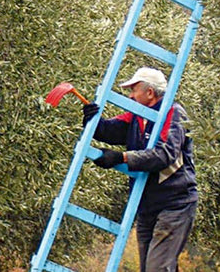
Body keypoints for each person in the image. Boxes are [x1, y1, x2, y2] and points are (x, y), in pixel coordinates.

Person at [82, 67, 197, 272]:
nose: (130, 95)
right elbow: (110, 131)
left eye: (134, 90)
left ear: (150, 93)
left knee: (157, 268)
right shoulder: (137, 116)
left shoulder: (173, 112)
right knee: (151, 268)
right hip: (147, 204)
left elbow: (164, 155)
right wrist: (92, 120)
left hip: (175, 203)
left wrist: (123, 157)